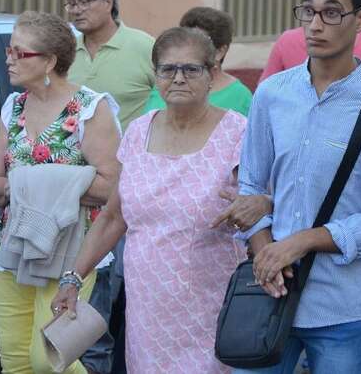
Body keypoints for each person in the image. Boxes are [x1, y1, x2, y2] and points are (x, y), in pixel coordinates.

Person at [227, 0, 361, 373]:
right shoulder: (272, 93)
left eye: (331, 13)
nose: (314, 25)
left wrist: (304, 241)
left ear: (360, 19)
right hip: (268, 294)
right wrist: (266, 254)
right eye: (307, 11)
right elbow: (251, 186)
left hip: (341, 307)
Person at [51, 27, 248, 373]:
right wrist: (73, 278)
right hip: (148, 310)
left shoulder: (238, 133)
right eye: (168, 69)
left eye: (191, 69)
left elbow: (262, 208)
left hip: (213, 306)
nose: (178, 78)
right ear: (155, 75)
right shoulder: (138, 131)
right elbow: (113, 217)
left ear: (211, 75)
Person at [0, 11, 121, 374]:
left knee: (47, 360)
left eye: (20, 53)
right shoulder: (13, 107)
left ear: (49, 61)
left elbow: (111, 186)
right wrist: (59, 183)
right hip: (14, 244)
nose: (9, 59)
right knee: (14, 362)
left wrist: (28, 183)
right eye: (9, 51)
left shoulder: (90, 108)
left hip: (72, 247)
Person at [65, 0, 154, 373]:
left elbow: (169, 104)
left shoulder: (142, 47)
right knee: (84, 310)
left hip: (126, 198)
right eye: (70, 2)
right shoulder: (64, 51)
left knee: (122, 302)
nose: (76, 9)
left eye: (84, 1)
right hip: (71, 196)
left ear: (108, 2)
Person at [145, 6, 252, 116]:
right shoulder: (164, 86)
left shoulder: (240, 97)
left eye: (200, 43)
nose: (178, 79)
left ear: (220, 51)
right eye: (183, 40)